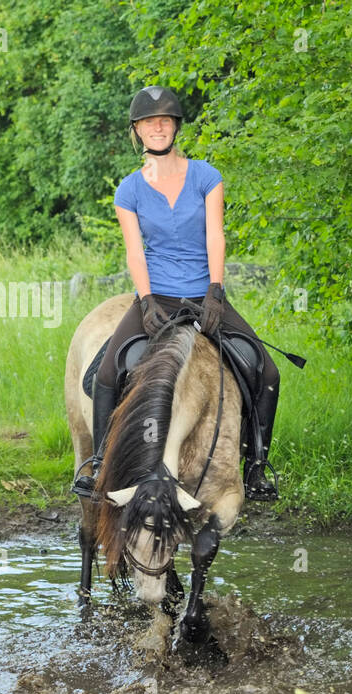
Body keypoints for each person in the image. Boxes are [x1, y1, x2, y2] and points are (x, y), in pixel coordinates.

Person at [72, 85, 280, 501]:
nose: (159, 127)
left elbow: (215, 236)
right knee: (107, 374)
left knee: (267, 373)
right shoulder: (128, 190)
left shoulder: (206, 176)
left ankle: (255, 466)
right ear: (137, 131)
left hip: (203, 295)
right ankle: (97, 465)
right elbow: (135, 251)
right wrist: (146, 300)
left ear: (176, 127)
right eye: (150, 122)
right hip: (157, 296)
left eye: (165, 121)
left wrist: (215, 292)